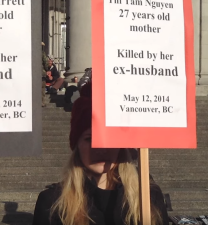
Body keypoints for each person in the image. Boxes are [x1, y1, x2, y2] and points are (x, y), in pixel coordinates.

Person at [32, 82, 168, 225]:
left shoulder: (148, 197)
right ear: (77, 145)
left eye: (110, 138)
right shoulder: (52, 203)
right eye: (90, 139)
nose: (101, 148)